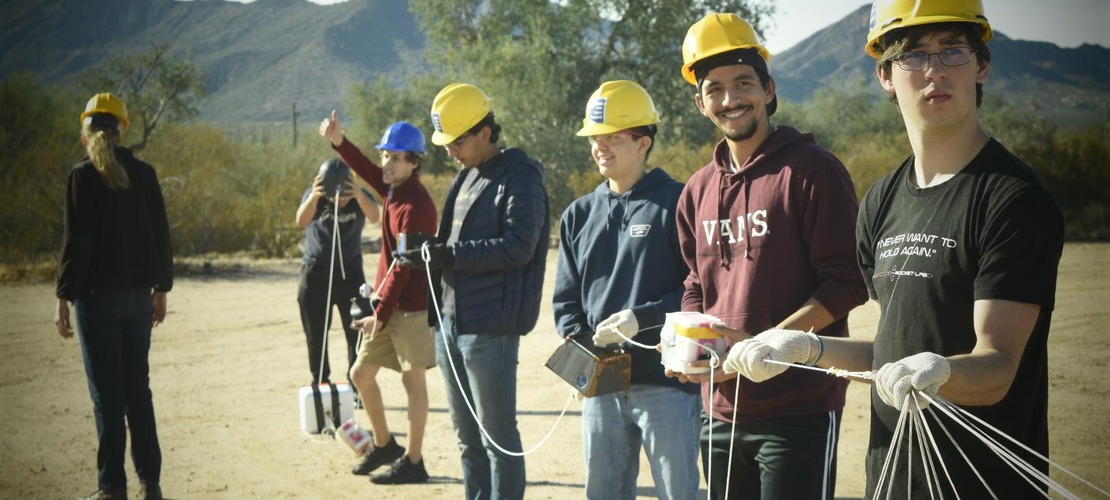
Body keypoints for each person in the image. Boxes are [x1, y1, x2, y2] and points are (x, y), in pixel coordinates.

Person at [724, 1, 1065, 498]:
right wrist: (808, 348)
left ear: (981, 66)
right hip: (892, 475)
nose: (934, 71)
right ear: (886, 75)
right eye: (913, 56)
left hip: (983, 483)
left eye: (953, 51)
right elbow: (894, 353)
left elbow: (998, 367)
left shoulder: (1012, 198)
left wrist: (942, 371)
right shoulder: (882, 201)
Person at [670, 13, 867, 499]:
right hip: (718, 408)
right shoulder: (696, 191)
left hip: (797, 406)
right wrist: (687, 343)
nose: (730, 99)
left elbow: (848, 280)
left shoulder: (812, 171)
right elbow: (697, 282)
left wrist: (772, 343)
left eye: (743, 83)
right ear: (701, 103)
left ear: (769, 89)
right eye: (714, 89)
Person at [396, 82, 550, 500]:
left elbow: (519, 246)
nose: (450, 150)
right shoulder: (466, 176)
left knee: (497, 438)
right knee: (468, 440)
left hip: (490, 328)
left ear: (485, 131)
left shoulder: (521, 174)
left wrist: (449, 255)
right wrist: (430, 253)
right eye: (446, 143)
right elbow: (454, 247)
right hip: (450, 323)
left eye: (458, 141)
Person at [552, 80, 700, 500]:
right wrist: (581, 351)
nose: (600, 147)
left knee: (678, 492)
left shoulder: (680, 201)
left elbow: (699, 290)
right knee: (604, 492)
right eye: (595, 139)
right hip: (601, 381)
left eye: (613, 137)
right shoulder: (578, 214)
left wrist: (643, 319)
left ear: (643, 142)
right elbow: (566, 301)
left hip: (668, 379)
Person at [54, 93, 174, 500]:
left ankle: (112, 488)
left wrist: (63, 296)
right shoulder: (145, 173)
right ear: (122, 130)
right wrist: (161, 289)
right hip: (140, 298)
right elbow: (161, 235)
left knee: (107, 395)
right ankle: (151, 483)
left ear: (87, 132)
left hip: (97, 299)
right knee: (137, 390)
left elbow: (77, 243)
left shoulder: (82, 177)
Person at [320, 112, 439, 484]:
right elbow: (366, 168)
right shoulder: (392, 188)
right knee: (361, 374)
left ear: (414, 162)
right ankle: (385, 446)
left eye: (396, 157)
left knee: (412, 383)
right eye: (386, 155)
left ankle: (414, 462)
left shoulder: (417, 205)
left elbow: (405, 268)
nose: (387, 163)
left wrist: (380, 313)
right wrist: (339, 142)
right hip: (387, 304)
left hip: (413, 307)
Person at [295, 157, 379, 389]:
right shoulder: (315, 197)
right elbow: (300, 221)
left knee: (356, 333)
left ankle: (356, 386)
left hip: (350, 274)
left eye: (343, 197)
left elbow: (375, 216)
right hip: (315, 274)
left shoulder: (358, 197)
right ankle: (321, 383)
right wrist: (315, 197)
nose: (339, 202)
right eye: (334, 197)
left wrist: (358, 195)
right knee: (316, 336)